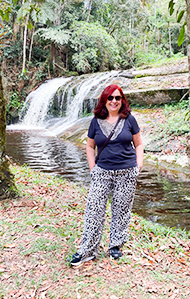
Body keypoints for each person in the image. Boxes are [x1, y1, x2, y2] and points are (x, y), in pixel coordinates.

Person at [70, 84, 143, 266]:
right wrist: (92, 167)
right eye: (110, 98)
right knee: (94, 210)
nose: (114, 101)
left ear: (122, 100)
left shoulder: (130, 120)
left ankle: (115, 246)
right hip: (101, 172)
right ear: (104, 100)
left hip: (127, 172)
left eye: (118, 98)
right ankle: (87, 250)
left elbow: (139, 144)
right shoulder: (95, 121)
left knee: (121, 210)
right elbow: (89, 146)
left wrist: (138, 165)